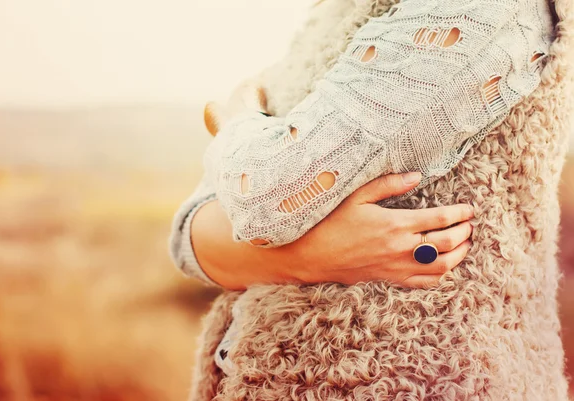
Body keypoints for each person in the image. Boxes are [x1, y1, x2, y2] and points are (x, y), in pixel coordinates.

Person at [171, 0, 572, 399]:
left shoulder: (482, 10)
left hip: (430, 381)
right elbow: (189, 236)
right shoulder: (331, 18)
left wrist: (236, 114)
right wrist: (309, 257)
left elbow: (258, 195)